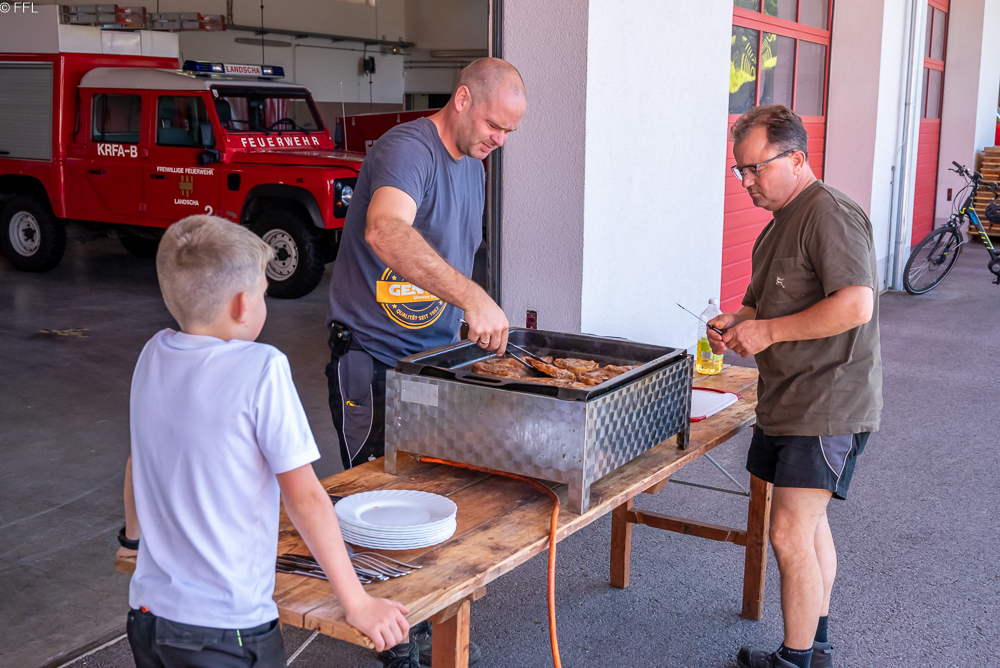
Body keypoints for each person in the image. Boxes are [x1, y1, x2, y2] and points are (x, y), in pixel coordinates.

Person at [119, 215, 409, 668]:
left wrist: (132, 540)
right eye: (263, 293)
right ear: (242, 305)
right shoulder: (261, 367)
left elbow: (139, 458)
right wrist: (358, 602)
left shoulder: (153, 353)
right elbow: (304, 497)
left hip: (149, 619)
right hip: (226, 631)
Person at [325, 57, 527, 667]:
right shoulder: (406, 149)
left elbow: (451, 256)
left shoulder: (474, 168)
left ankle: (429, 625)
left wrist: (464, 319)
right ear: (462, 99)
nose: (500, 139)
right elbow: (386, 231)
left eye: (510, 131)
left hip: (434, 360)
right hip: (374, 359)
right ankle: (393, 640)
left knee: (436, 497)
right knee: (380, 501)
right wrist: (473, 297)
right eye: (494, 124)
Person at [708, 106, 882, 668]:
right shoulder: (776, 224)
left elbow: (855, 304)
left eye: (755, 168)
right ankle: (816, 647)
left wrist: (768, 331)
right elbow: (756, 306)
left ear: (797, 158)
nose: (746, 182)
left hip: (827, 402)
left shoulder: (829, 213)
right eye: (740, 170)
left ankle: (795, 659)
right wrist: (735, 324)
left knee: (788, 534)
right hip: (786, 399)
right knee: (809, 529)